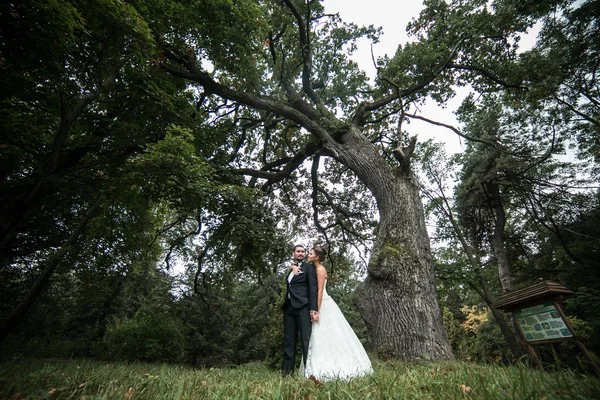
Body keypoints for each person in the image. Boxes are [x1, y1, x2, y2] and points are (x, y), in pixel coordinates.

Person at [296, 246, 373, 381]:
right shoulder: (313, 268)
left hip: (323, 304)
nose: (308, 254)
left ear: (317, 257)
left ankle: (333, 368)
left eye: (311, 253)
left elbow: (319, 291)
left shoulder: (320, 269)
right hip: (320, 303)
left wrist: (316, 310)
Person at [281, 244, 319, 377]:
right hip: (289, 308)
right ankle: (286, 374)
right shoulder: (291, 269)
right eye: (298, 251)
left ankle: (309, 373)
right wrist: (292, 267)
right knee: (289, 341)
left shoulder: (309, 267)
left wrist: (313, 308)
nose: (301, 253)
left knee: (305, 340)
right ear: (293, 254)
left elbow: (313, 288)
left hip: (303, 307)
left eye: (303, 251)